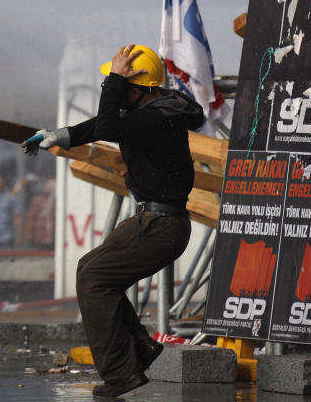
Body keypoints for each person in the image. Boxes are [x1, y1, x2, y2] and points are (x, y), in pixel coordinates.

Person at [23, 44, 204, 398]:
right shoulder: (159, 110)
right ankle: (139, 347)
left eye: (120, 83)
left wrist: (116, 79)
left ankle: (122, 374)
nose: (115, 88)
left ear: (136, 88)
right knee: (92, 269)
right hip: (158, 223)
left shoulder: (155, 117)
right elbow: (106, 124)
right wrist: (60, 136)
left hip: (158, 225)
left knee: (93, 279)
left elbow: (108, 125)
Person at [24, 178, 56, 249]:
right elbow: (30, 218)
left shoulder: (56, 202)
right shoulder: (37, 200)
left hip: (53, 239)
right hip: (39, 239)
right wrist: (29, 234)